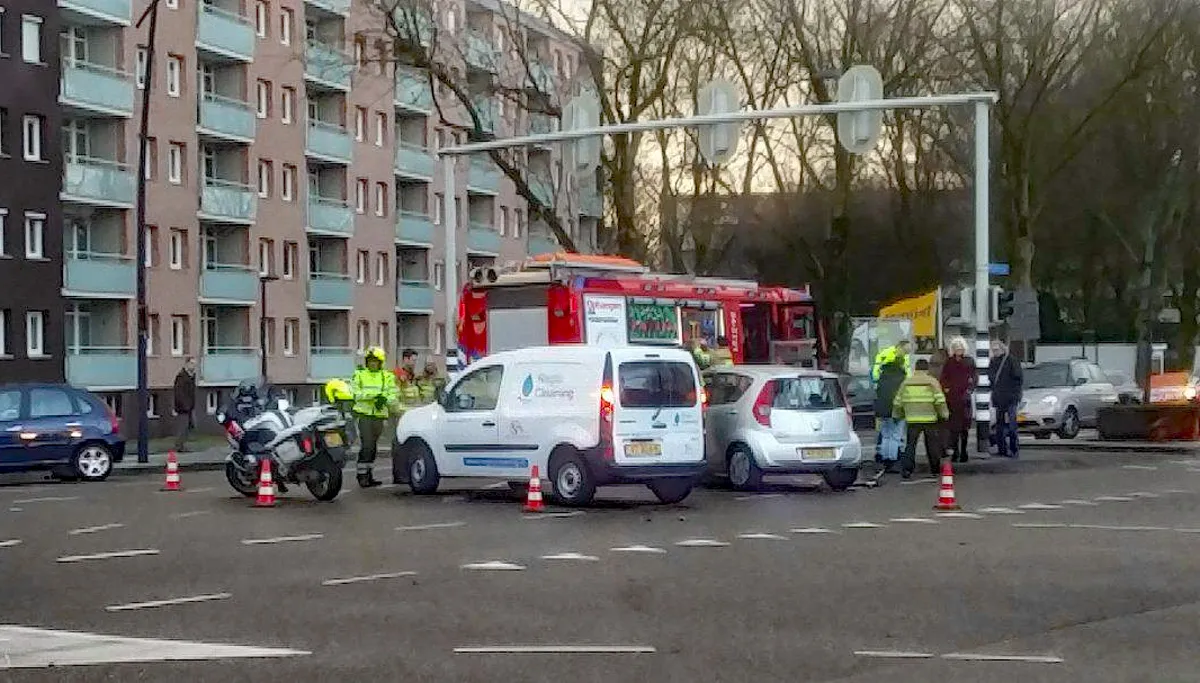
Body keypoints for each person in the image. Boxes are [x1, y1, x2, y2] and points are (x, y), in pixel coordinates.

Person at [350, 346, 399, 488]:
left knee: (373, 447)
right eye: (370, 361)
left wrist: (384, 399)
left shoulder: (387, 376)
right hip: (364, 415)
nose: (372, 363)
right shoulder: (359, 374)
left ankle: (369, 475)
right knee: (367, 445)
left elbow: (393, 394)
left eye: (375, 361)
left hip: (379, 416)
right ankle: (362, 475)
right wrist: (374, 396)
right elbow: (355, 393)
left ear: (380, 362)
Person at [893, 358, 949, 479]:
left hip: (912, 418)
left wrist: (897, 415)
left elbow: (898, 401)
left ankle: (907, 469)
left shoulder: (906, 382)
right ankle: (934, 469)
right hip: (930, 418)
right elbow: (940, 401)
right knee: (932, 445)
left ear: (915, 368)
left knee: (910, 445)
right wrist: (944, 414)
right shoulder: (932, 382)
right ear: (927, 369)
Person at [940, 336, 976, 463]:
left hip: (964, 398)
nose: (958, 350)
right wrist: (946, 389)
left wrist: (970, 390)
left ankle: (964, 451)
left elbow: (974, 377)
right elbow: (944, 377)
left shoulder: (969, 361)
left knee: (964, 428)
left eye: (960, 347)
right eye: (956, 348)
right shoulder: (949, 362)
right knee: (953, 428)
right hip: (952, 398)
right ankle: (955, 452)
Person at [988, 339, 1023, 458]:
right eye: (993, 350)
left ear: (1002, 349)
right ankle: (1002, 448)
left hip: (1010, 397)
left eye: (996, 349)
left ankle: (1013, 449)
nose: (995, 352)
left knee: (1011, 424)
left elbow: (1018, 378)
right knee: (1000, 425)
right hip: (1000, 397)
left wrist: (1015, 394)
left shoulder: (1011, 360)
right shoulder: (993, 362)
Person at [874, 356, 908, 473]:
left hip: (882, 410)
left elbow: (878, 393)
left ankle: (884, 458)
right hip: (896, 410)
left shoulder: (882, 377)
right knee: (895, 436)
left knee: (886, 435)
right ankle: (892, 460)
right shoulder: (901, 378)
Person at [172, 357, 197, 451]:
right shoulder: (182, 377)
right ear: (186, 364)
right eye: (192, 363)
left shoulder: (191, 376)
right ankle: (179, 446)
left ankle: (182, 445)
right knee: (182, 427)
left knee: (189, 426)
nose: (193, 366)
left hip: (190, 407)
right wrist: (185, 405)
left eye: (194, 364)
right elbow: (179, 393)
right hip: (183, 407)